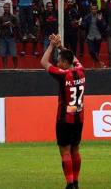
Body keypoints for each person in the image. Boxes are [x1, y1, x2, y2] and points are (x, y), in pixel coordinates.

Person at [40, 34, 85, 189]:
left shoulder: (62, 74)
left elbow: (44, 62)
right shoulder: (81, 70)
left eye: (59, 61)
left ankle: (70, 183)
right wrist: (60, 46)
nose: (57, 63)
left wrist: (52, 45)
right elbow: (73, 58)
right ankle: (76, 182)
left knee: (65, 151)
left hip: (64, 119)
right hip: (79, 118)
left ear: (65, 63)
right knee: (75, 150)